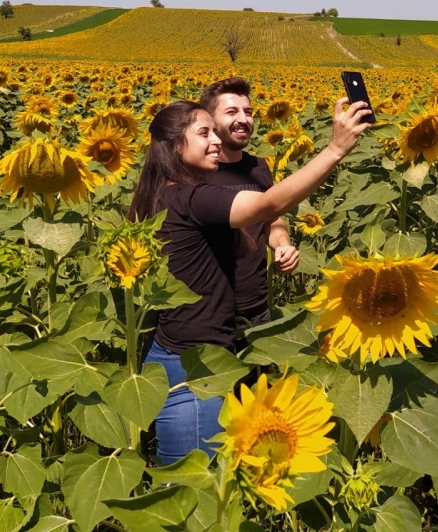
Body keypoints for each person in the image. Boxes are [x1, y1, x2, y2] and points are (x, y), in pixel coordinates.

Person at [128, 97, 371, 464]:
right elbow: (268, 206)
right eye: (204, 133)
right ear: (176, 145)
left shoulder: (159, 195)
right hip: (194, 370)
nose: (216, 141)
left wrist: (280, 240)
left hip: (183, 353)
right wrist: (335, 149)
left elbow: (261, 223)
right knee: (197, 499)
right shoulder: (189, 199)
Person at [199, 77, 298, 331]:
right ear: (209, 121)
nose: (243, 119)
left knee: (259, 372)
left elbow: (272, 218)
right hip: (205, 309)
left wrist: (283, 245)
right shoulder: (194, 172)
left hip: (256, 307)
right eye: (231, 111)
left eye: (248, 112)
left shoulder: (258, 167)